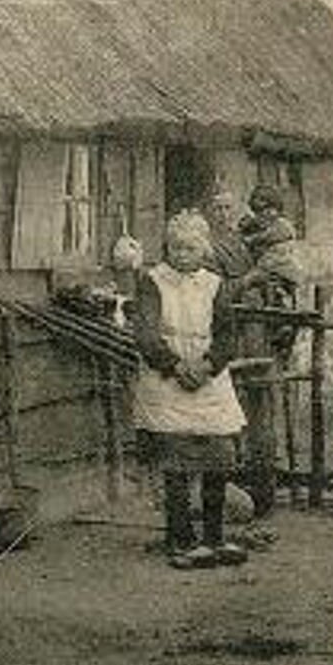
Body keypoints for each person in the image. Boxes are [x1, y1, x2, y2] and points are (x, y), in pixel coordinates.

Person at [130, 211, 247, 570]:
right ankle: (180, 539)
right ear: (167, 247)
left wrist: (208, 366)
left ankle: (214, 537)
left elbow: (228, 335)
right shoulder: (153, 281)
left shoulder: (215, 285)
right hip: (168, 379)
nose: (182, 255)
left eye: (190, 248)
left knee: (217, 459)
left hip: (208, 380)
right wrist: (176, 366)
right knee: (176, 461)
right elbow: (146, 334)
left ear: (204, 249)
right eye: (176, 248)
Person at [225, 183, 305, 521]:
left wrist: (249, 246)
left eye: (269, 207)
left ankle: (263, 489)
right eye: (259, 207)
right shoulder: (254, 227)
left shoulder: (280, 230)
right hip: (254, 317)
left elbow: (269, 257)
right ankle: (257, 487)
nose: (264, 213)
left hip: (274, 285)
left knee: (261, 404)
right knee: (254, 406)